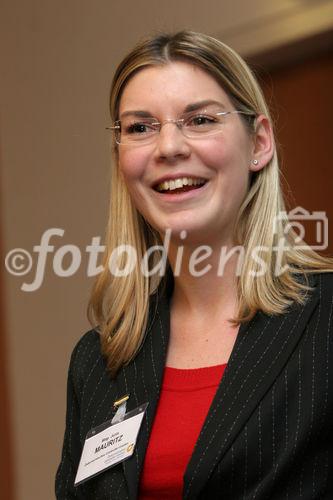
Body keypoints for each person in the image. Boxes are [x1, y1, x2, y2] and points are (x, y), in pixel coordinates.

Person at [55, 30, 333, 499]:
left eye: (199, 119)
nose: (168, 148)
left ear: (259, 143)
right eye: (140, 128)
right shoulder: (97, 362)